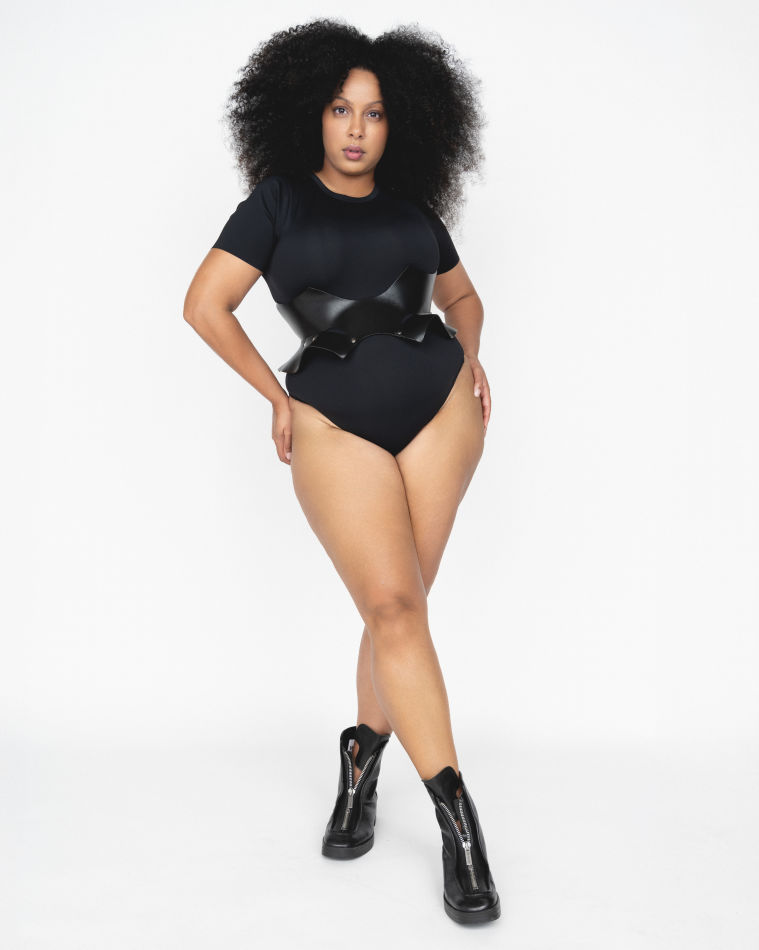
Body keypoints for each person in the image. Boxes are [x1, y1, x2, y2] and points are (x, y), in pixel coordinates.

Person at [183, 18, 500, 925]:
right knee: (393, 608)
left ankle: (361, 762)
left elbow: (462, 296)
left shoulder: (413, 210)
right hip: (330, 419)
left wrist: (472, 356)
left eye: (375, 112)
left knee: (399, 610)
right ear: (309, 115)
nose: (356, 128)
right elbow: (205, 304)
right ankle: (460, 825)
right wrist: (274, 398)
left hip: (441, 414)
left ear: (402, 125)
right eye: (339, 109)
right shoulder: (277, 202)